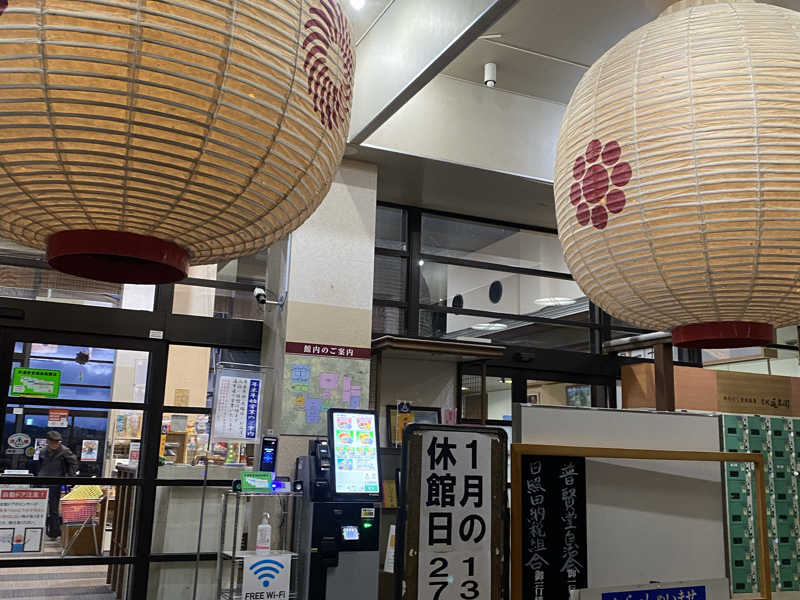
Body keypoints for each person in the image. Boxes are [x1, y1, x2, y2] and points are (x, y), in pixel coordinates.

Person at [38, 431, 78, 539]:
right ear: (48, 441)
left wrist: (70, 478)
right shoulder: (43, 451)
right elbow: (38, 465)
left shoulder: (64, 450)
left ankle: (54, 532)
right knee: (40, 508)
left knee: (54, 509)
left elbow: (73, 463)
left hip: (55, 481)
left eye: (57, 442)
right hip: (41, 480)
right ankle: (39, 531)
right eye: (53, 442)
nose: (55, 444)